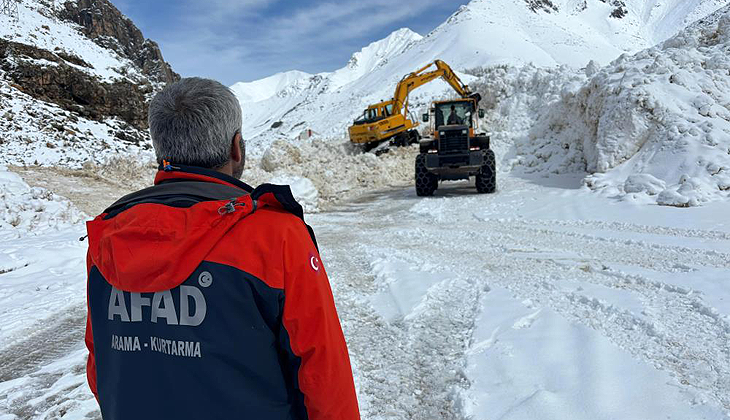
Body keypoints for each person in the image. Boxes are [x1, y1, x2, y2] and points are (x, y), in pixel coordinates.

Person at [84, 77, 360, 420]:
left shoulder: (110, 233)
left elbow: (101, 366)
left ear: (160, 150)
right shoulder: (276, 234)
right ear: (237, 148)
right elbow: (324, 374)